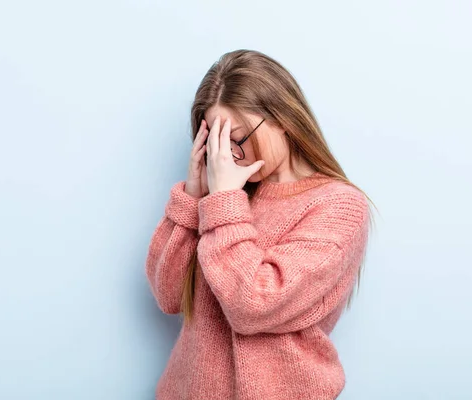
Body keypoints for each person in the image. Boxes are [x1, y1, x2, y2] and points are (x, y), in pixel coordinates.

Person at [146, 49, 372, 400]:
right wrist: (193, 198)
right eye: (215, 143)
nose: (229, 156)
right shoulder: (228, 199)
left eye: (236, 138)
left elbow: (254, 304)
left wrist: (222, 202)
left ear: (281, 117)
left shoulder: (340, 207)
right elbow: (169, 295)